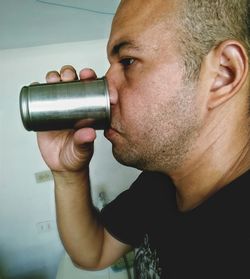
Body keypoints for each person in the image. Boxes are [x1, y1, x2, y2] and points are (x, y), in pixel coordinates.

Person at [37, 0, 250, 278]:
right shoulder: (162, 180)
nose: (106, 91)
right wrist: (68, 173)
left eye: (127, 61)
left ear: (224, 73)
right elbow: (94, 252)